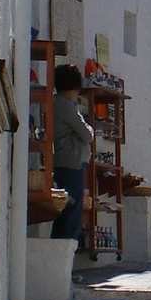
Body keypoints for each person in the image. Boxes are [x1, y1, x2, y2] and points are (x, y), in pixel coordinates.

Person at [51, 63, 94, 242]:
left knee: (62, 212)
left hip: (59, 161)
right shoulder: (67, 107)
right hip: (72, 163)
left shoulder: (53, 101)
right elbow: (88, 135)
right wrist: (84, 130)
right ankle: (65, 258)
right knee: (71, 215)